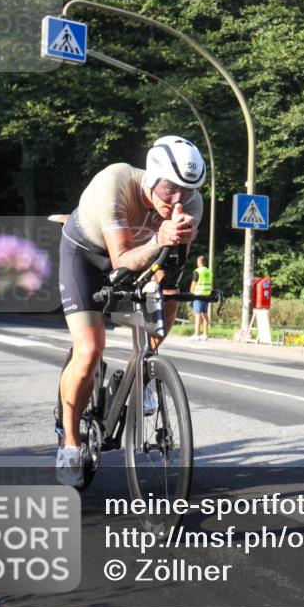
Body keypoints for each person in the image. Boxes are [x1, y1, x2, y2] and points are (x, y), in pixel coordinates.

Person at [56, 136, 206, 486]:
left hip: (141, 258)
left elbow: (170, 272)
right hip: (87, 257)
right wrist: (159, 240)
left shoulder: (192, 205)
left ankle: (146, 369)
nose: (178, 200)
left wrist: (163, 274)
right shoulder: (116, 182)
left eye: (188, 191)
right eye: (170, 188)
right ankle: (69, 441)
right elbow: (121, 261)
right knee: (90, 349)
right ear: (152, 176)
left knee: (169, 294)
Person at [189, 256, 213, 341]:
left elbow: (194, 282)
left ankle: (196, 334)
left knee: (198, 315)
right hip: (206, 295)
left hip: (198, 294)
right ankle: (205, 334)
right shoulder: (209, 271)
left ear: (199, 262)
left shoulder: (197, 271)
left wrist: (191, 293)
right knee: (205, 314)